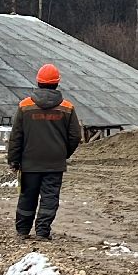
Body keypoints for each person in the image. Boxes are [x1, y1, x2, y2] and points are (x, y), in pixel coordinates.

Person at [6, 63, 82, 240]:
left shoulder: (25, 106)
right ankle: (42, 232)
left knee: (27, 196)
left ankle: (22, 231)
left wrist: (13, 160)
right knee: (50, 197)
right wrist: (63, 153)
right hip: (54, 163)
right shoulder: (67, 108)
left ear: (38, 82)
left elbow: (16, 136)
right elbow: (75, 137)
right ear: (57, 83)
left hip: (29, 162)